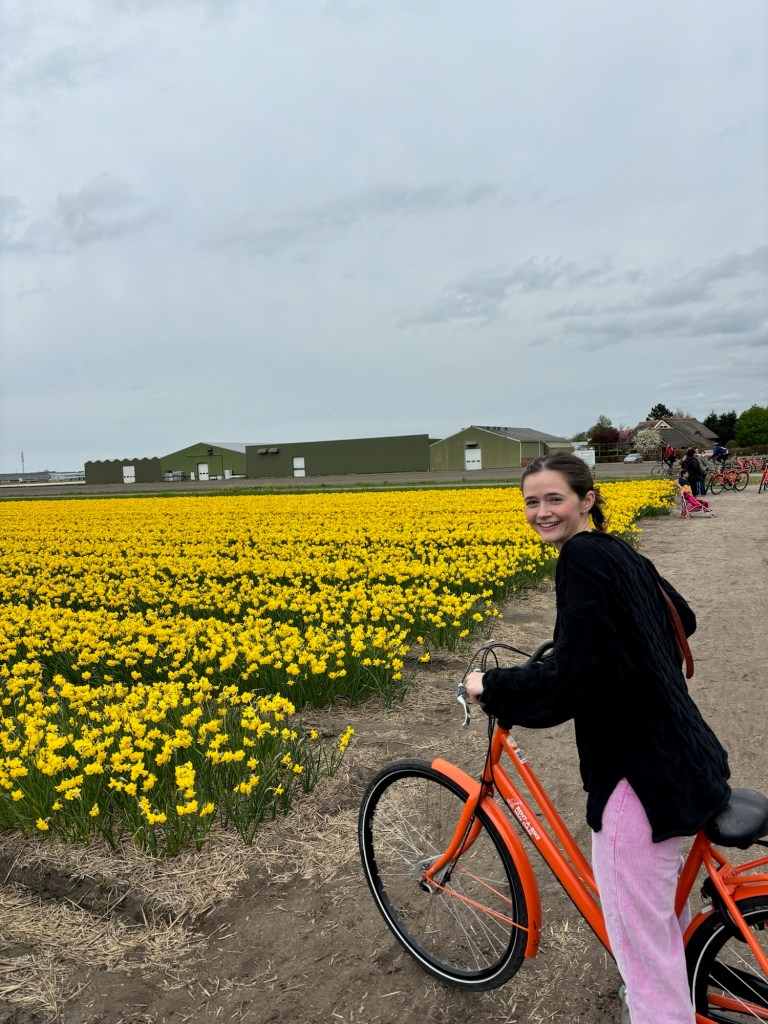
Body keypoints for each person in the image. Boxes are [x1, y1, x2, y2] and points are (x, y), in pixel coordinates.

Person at [465, 452, 730, 1024]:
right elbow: (680, 617)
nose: (541, 512)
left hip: (637, 771)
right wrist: (606, 641)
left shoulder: (579, 559)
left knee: (643, 958)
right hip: (685, 753)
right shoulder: (616, 548)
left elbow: (574, 685)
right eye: (531, 502)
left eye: (553, 498)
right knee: (663, 916)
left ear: (586, 499)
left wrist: (492, 684)